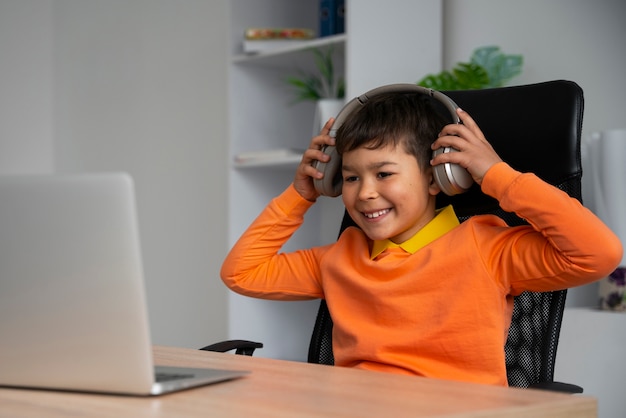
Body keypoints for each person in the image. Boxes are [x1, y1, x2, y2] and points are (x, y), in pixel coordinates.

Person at [221, 91, 622, 386]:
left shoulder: (488, 249)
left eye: (384, 174)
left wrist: (496, 174)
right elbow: (242, 273)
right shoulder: (340, 258)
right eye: (350, 177)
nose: (364, 193)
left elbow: (599, 253)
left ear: (436, 177)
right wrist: (300, 195)